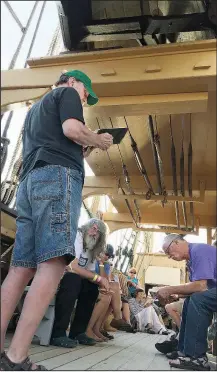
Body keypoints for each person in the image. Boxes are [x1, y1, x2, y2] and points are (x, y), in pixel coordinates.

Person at [0, 70, 113, 371]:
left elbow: (60, 138)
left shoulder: (35, 109)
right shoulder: (67, 94)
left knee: (20, 269)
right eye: (86, 90)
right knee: (53, 263)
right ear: (74, 82)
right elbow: (73, 130)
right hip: (57, 178)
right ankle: (17, 356)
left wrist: (83, 145)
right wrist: (99, 140)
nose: (86, 97)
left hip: (29, 183)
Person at [155, 234, 217, 371]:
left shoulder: (199, 251)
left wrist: (169, 289)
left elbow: (200, 286)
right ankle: (183, 350)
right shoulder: (191, 260)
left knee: (198, 300)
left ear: (176, 242)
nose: (169, 256)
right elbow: (199, 287)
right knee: (190, 300)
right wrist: (175, 294)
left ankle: (197, 358)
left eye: (168, 251)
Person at [51, 218, 109, 347]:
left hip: (73, 278)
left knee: (91, 287)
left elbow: (88, 273)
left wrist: (99, 282)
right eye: (92, 228)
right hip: (58, 275)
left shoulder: (92, 248)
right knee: (73, 279)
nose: (93, 232)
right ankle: (58, 333)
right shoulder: (78, 236)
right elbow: (72, 267)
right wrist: (99, 279)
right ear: (86, 227)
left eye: (97, 231)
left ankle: (78, 332)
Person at [86, 245, 133, 340]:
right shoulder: (92, 258)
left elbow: (105, 280)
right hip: (89, 284)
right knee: (112, 289)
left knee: (110, 294)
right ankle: (116, 318)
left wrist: (102, 264)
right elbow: (95, 277)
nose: (108, 257)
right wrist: (100, 263)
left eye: (110, 256)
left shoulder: (106, 264)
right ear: (100, 251)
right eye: (107, 254)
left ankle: (97, 328)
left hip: (100, 286)